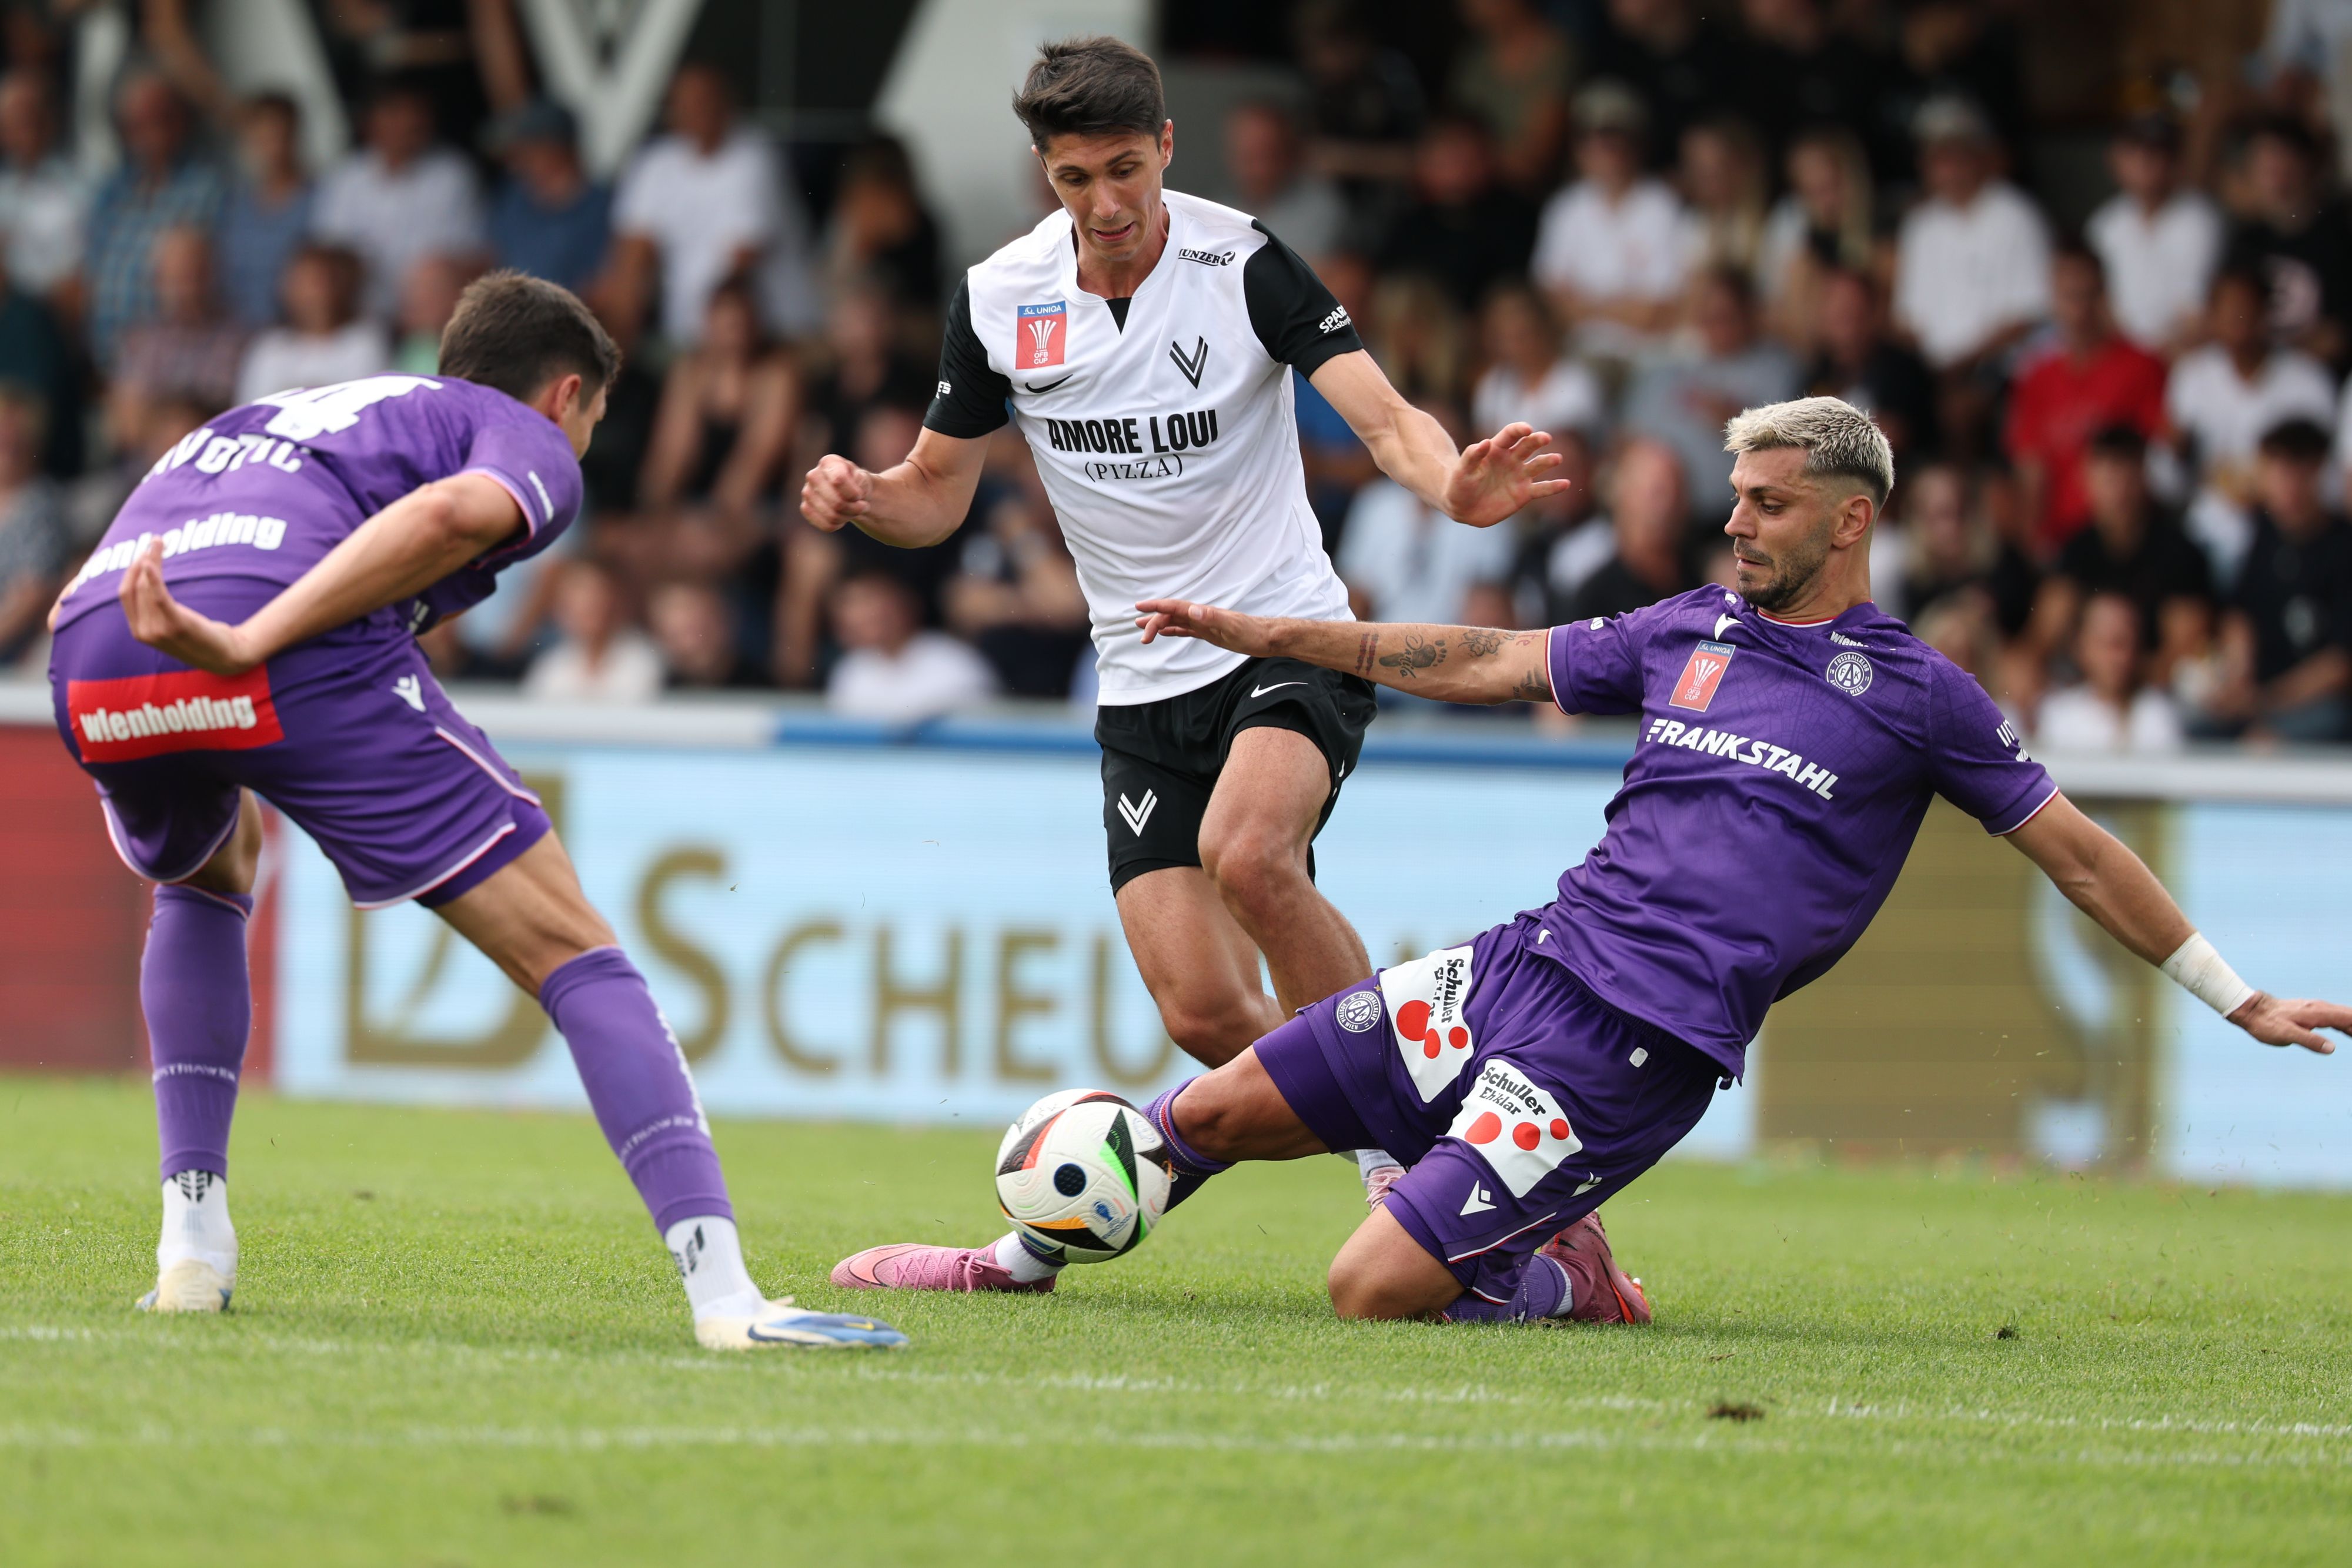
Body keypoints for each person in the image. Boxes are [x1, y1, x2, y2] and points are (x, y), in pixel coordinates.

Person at [834, 395, 2350, 1316]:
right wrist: (1260, 630)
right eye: (1734, 496)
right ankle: (1009, 1262)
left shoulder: (1917, 697)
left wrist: (2239, 999)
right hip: (1518, 965)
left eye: (1766, 504)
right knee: (1218, 1104)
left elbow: (2080, 854)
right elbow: (1478, 656)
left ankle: (1556, 1275)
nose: (1734, 522)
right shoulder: (1683, 628)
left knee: (1367, 1290)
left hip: (1636, 1049)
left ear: (1851, 517)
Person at [800, 35, 1564, 1269]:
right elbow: (936, 493)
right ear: (1043, 174)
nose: (1103, 206)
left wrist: (1451, 485)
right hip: (1140, 680)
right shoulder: (1000, 295)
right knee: (1203, 1010)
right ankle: (1444, 1134)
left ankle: (1398, 1179)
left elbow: (1381, 417)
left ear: (1164, 147)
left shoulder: (1241, 261)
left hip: (1286, 635)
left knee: (1251, 855)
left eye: (1121, 170)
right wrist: (863, 494)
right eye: (1071, 179)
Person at [43, 272, 902, 1350]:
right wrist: (253, 640)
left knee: (208, 871)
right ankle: (727, 1298)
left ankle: (191, 1251)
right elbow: (453, 511)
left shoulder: (292, 413)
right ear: (567, 395)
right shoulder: (515, 431)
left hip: (94, 646)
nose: (581, 445)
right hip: (255, 638)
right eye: (590, 423)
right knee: (576, 949)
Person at [610, 63, 820, 346]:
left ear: (727, 104)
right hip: (693, 337)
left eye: (705, 100)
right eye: (685, 102)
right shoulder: (656, 165)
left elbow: (742, 261)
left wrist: (714, 333)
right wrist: (615, 334)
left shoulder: (755, 156)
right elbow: (632, 260)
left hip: (774, 334)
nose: (697, 110)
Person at [2166, 268, 2337, 583]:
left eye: (2247, 310)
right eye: (2229, 311)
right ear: (2211, 315)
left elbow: (2331, 481)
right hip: (2210, 532)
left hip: (2290, 537)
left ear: (2266, 314)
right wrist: (2177, 452)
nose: (2238, 321)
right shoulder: (2191, 377)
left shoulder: (2308, 381)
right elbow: (2170, 483)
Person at [2002, 245, 2166, 549]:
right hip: (2062, 539)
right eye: (2068, 296)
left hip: (2124, 537)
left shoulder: (2143, 366)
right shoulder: (2037, 376)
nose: (2079, 310)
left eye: (2087, 295)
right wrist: (2034, 543)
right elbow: (2031, 471)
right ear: (2053, 300)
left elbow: (2157, 460)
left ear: (2104, 297)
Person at [2207, 417, 2352, 741]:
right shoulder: (2264, 532)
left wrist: (2265, 701)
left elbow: (2341, 667)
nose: (2285, 484)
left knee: (2273, 740)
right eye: (2275, 470)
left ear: (2316, 472)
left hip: (2319, 703)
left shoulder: (2344, 547)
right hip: (2261, 697)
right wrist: (2238, 674)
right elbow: (2239, 614)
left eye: (2294, 471)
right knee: (2193, 721)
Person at [1891, 96, 2050, 377]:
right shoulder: (1920, 225)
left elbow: (2030, 313)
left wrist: (1963, 367)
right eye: (1939, 159)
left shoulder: (2016, 215)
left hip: (2002, 369)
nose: (1950, 170)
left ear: (1979, 157)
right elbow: (1907, 320)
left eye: (1957, 157)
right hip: (1935, 374)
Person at [1532, 83, 1689, 356]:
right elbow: (1552, 300)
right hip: (1576, 351)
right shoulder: (1565, 207)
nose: (1606, 153)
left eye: (1616, 142)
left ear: (1637, 145)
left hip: (1648, 354)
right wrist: (1620, 308)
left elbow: (1657, 310)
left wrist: (1588, 306)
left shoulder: (1664, 206)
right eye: (1593, 142)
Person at [309, 77, 485, 321]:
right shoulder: (346, 177)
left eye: (415, 116)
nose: (407, 124)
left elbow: (470, 256)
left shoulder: (451, 173)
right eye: (395, 114)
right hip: (361, 311)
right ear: (371, 122)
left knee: (435, 274)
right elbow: (328, 249)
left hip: (429, 314)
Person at [1620, 263, 1799, 499]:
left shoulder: (1779, 369)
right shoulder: (1666, 368)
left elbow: (1789, 456)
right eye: (1708, 316)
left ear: (1750, 315)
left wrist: (1737, 421)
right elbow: (1625, 442)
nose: (1716, 326)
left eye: (1726, 317)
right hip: (1656, 505)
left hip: (1731, 516)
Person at [85, 73, 226, 367]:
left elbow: (205, 273)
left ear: (182, 122)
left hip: (169, 358)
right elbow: (92, 266)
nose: (149, 133)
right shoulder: (114, 190)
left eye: (160, 119)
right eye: (136, 125)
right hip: (105, 355)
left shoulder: (205, 186)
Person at [2085, 113, 2222, 357]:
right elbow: (2098, 305)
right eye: (2133, 151)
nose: (2143, 161)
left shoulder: (2202, 220)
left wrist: (2159, 357)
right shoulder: (2103, 225)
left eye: (2154, 152)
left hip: (2186, 356)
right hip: (2121, 357)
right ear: (2115, 160)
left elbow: (2201, 313)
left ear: (2176, 161)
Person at [825, 569, 997, 722]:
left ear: (905, 603)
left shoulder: (955, 661)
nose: (864, 614)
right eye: (851, 603)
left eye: (870, 600)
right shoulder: (850, 669)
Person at [483, 98, 612, 293]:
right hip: (512, 316)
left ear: (557, 148)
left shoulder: (604, 206)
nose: (517, 162)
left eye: (527, 152)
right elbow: (494, 263)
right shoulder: (513, 201)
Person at [235, 245, 389, 404]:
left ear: (340, 285)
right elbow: (248, 412)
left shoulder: (363, 342)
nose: (307, 292)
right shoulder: (269, 347)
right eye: (297, 280)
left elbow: (368, 409)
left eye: (315, 281)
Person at [2034, 593, 2184, 754]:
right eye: (2105, 643)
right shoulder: (2057, 714)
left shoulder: (2158, 714)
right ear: (2081, 646)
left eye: (2124, 643)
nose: (2116, 657)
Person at [215, 93, 313, 327]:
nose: (273, 147)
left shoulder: (320, 200)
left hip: (292, 333)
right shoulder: (235, 204)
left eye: (280, 136)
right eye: (263, 137)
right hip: (237, 329)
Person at [0, 68, 87, 309]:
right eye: (13, 121)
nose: (24, 130)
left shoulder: (81, 183)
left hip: (63, 309)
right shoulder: (3, 190)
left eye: (30, 117)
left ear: (48, 120)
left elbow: (81, 266)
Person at [522, 557, 664, 703]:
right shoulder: (550, 666)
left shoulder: (645, 660)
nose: (588, 606)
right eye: (577, 599)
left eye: (596, 596)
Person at [1224, 100, 1346, 262]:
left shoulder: (1322, 209)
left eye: (1264, 155)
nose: (1254, 170)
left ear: (1288, 152)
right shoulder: (1221, 209)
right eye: (1245, 156)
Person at [0, 384, 64, 662]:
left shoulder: (41, 507)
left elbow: (30, 596)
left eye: (13, 442)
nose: (7, 449)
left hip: (15, 662)